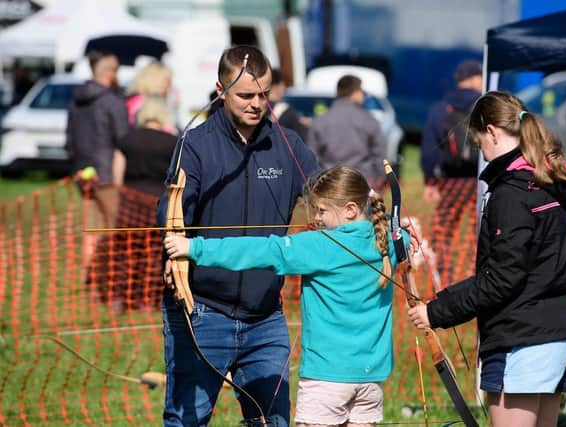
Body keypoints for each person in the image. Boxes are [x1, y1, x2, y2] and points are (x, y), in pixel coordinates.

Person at [164, 166, 404, 427]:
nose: (318, 218)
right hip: (371, 380)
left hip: (327, 379)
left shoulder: (323, 244)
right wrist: (405, 233)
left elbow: (263, 251)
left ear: (350, 209)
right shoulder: (387, 244)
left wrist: (194, 247)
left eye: (322, 210)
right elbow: (405, 242)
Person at [157, 45, 319, 427]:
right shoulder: (195, 146)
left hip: (265, 316)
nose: (256, 104)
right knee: (187, 420)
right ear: (220, 89)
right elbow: (173, 212)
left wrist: (364, 211)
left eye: (264, 94)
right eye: (245, 95)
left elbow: (326, 193)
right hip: (202, 310)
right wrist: (173, 253)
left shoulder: (288, 144)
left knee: (273, 421)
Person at [408, 91, 566, 427]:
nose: (481, 153)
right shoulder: (546, 180)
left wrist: (435, 311)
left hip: (522, 339)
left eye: (478, 142)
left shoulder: (511, 193)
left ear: (492, 132)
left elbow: (503, 278)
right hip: (557, 334)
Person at [66, 50, 130, 269]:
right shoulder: (113, 101)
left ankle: (90, 278)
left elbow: (69, 139)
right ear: (110, 73)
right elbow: (124, 142)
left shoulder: (76, 100)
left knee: (91, 229)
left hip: (82, 173)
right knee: (112, 228)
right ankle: (106, 279)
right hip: (108, 175)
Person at [307, 74, 387, 191]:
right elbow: (379, 154)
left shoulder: (320, 121)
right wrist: (379, 181)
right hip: (362, 185)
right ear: (355, 93)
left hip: (330, 186)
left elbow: (311, 158)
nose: (363, 95)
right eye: (362, 91)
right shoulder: (368, 119)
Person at [420, 60, 483, 201]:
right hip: (479, 178)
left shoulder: (441, 108)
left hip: (449, 178)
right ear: (474, 79)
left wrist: (430, 181)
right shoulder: (485, 106)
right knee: (479, 222)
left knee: (445, 222)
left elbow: (429, 147)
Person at [114, 98, 178, 197]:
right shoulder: (173, 142)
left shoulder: (126, 139)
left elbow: (117, 178)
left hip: (131, 200)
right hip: (160, 200)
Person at [125, 61, 174, 131]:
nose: (170, 85)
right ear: (154, 80)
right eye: (167, 81)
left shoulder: (156, 100)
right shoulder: (139, 101)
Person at [267, 68, 309, 141]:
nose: (284, 88)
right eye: (283, 85)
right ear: (278, 86)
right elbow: (300, 141)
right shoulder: (288, 112)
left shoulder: (257, 109)